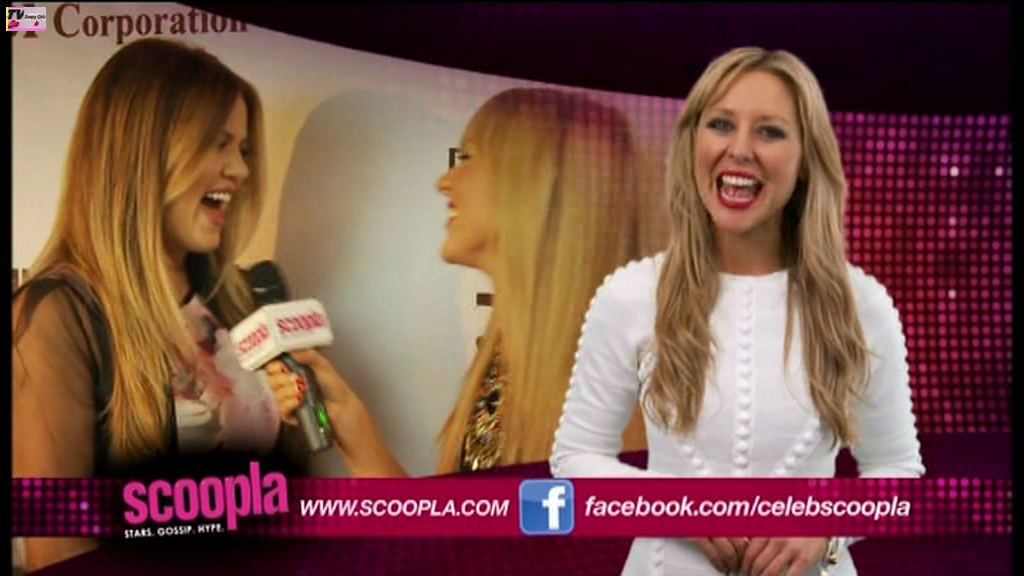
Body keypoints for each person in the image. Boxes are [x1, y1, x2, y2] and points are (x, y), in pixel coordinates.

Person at [548, 47, 925, 576]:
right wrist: (673, 506)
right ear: (692, 143)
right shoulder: (631, 294)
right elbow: (574, 460)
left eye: (769, 131)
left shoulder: (861, 304)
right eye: (721, 124)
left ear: (806, 160)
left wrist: (829, 522)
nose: (740, 149)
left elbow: (898, 472)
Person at [12, 38, 307, 572]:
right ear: (145, 153)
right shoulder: (60, 314)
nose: (240, 171)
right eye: (219, 144)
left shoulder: (241, 298)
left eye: (243, 149)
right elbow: (56, 550)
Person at [268, 87, 649, 476]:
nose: (445, 182)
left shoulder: (614, 398)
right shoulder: (502, 363)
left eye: (470, 158)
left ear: (532, 184)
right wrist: (350, 422)